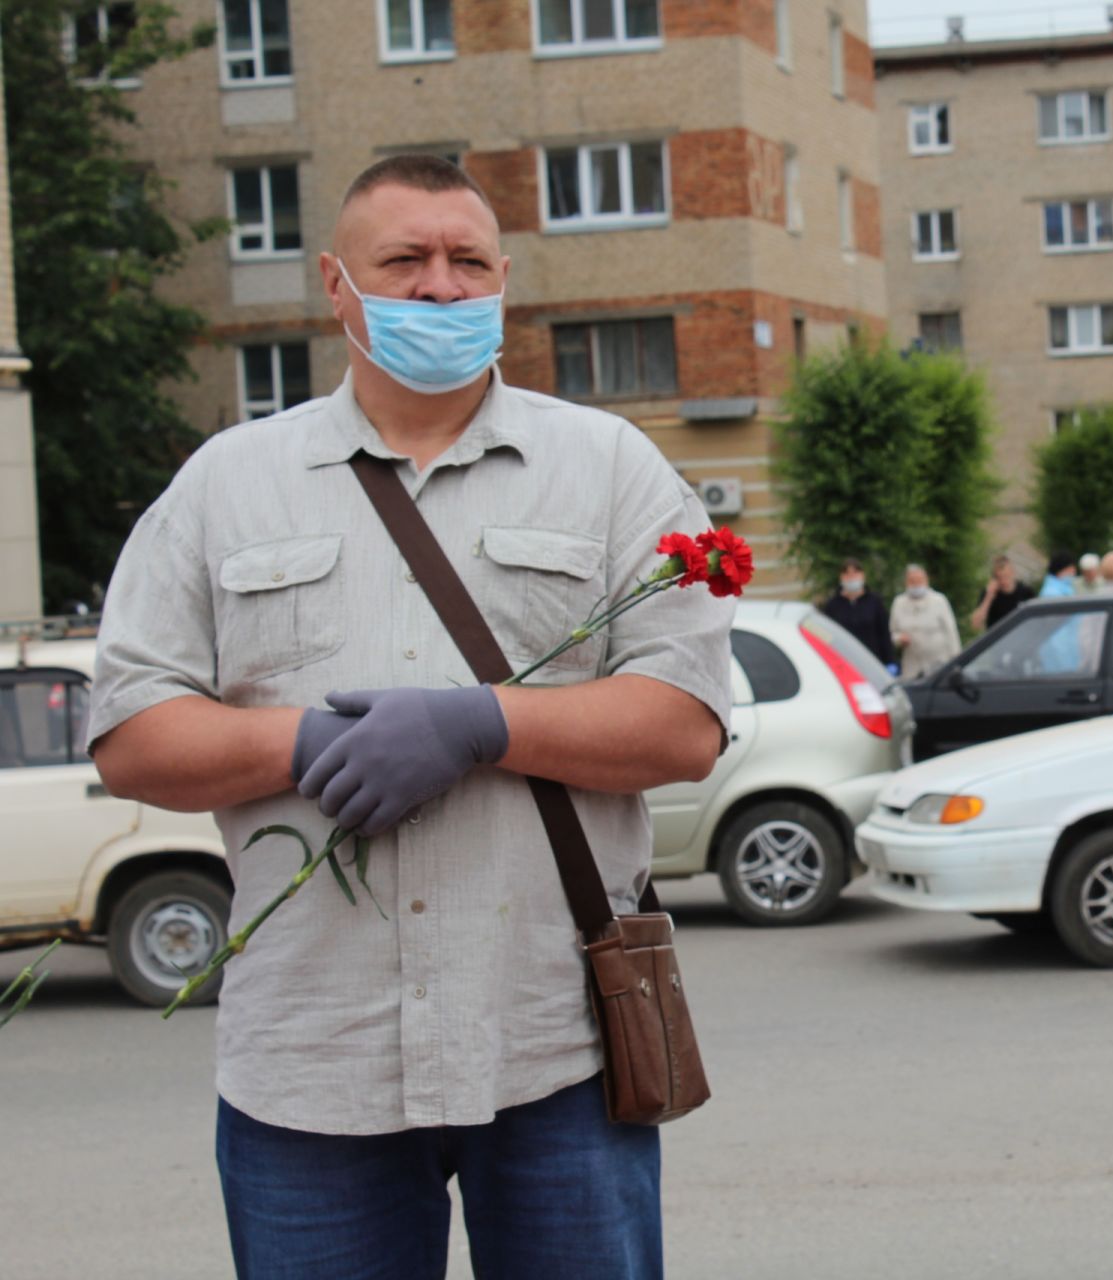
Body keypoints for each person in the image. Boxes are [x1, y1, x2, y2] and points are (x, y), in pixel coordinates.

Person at [85, 155, 734, 1279]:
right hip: (310, 1063)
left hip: (558, 1050)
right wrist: (297, 742)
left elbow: (681, 726)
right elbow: (133, 731)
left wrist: (482, 724)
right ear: (337, 285)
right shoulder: (224, 483)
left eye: (466, 260)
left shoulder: (612, 469)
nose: (440, 285)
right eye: (404, 260)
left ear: (503, 280)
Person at [890, 563, 962, 679]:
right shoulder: (899, 602)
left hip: (939, 664)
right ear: (906, 582)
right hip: (912, 665)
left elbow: (951, 632)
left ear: (926, 580)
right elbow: (892, 633)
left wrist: (956, 660)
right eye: (912, 581)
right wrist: (899, 639)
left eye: (919, 580)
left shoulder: (939, 600)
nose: (916, 584)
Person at [821, 557, 895, 667]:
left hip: (873, 661)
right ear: (841, 577)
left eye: (855, 573)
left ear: (862, 575)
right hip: (845, 663)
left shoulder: (874, 601)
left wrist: (890, 661)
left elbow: (884, 634)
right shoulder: (833, 605)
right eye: (847, 574)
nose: (851, 577)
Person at [970, 553, 1036, 632]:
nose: (1004, 581)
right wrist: (988, 597)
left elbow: (1036, 618)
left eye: (1006, 576)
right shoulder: (990, 593)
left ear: (1013, 572)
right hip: (997, 639)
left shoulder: (1026, 592)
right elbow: (975, 624)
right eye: (1000, 577)